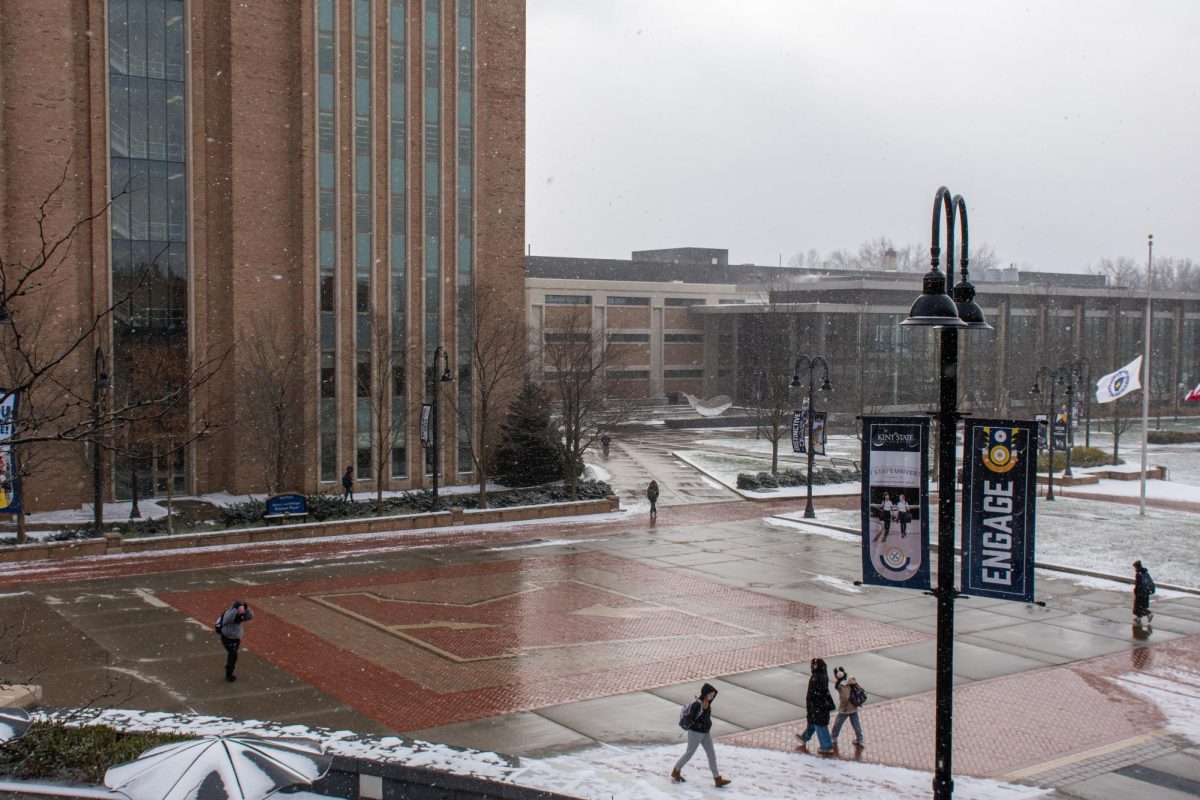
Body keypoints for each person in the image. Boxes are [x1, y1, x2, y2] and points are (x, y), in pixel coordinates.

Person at [672, 683, 732, 788]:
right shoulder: (697, 705)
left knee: (711, 754)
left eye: (713, 695)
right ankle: (676, 771)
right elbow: (691, 720)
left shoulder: (707, 703)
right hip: (695, 733)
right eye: (711, 695)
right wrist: (701, 725)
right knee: (689, 753)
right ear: (705, 694)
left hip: (705, 732)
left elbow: (705, 714)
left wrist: (705, 726)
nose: (712, 697)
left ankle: (717, 779)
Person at [795, 657, 836, 754]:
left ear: (815, 666)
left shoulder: (816, 677)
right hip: (821, 705)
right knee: (814, 721)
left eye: (811, 666)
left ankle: (826, 747)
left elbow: (812, 694)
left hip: (817, 706)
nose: (810, 668)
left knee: (819, 724)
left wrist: (811, 705)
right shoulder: (823, 675)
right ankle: (804, 737)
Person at [216, 599, 254, 682]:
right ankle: (229, 674)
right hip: (227, 638)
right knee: (233, 655)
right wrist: (235, 609)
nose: (241, 612)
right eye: (239, 610)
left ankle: (229, 670)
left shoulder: (240, 616)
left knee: (233, 655)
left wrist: (245, 607)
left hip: (236, 639)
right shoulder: (229, 614)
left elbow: (250, 616)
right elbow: (227, 619)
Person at [830, 666, 865, 748]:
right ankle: (860, 738)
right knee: (856, 723)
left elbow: (845, 697)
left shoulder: (842, 685)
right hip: (853, 706)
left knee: (838, 723)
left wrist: (843, 705)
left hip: (845, 708)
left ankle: (833, 737)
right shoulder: (848, 681)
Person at [1133, 560, 1155, 626]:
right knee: (1140, 606)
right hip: (1145, 592)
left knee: (1139, 606)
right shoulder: (1145, 572)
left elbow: (1138, 584)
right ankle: (1138, 618)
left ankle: (1149, 614)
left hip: (1141, 593)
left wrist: (1136, 591)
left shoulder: (1139, 574)